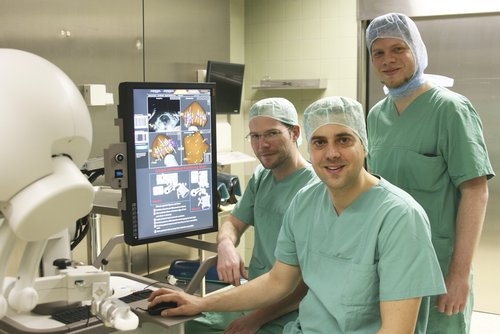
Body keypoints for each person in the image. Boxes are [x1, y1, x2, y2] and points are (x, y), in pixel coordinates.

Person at [147, 96, 446, 334]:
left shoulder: (399, 218)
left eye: (344, 139)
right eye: (320, 142)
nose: (331, 153)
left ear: (364, 145)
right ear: (310, 147)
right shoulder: (305, 202)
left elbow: (397, 329)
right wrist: (199, 302)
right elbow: (278, 281)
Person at [365, 13, 495, 334]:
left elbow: (476, 191)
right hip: (389, 264)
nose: (387, 60)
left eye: (398, 49)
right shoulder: (375, 116)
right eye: (377, 53)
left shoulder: (450, 109)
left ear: (417, 51)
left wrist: (459, 274)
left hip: (438, 265)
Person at [185, 97, 318, 334]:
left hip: (289, 311)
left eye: (272, 134)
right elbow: (233, 225)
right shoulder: (261, 178)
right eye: (255, 136)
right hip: (253, 296)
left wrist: (256, 319)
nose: (262, 144)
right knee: (183, 324)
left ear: (295, 132)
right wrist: (225, 245)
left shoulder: (315, 189)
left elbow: (308, 283)